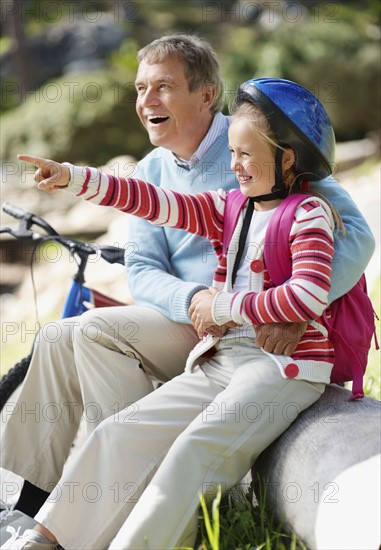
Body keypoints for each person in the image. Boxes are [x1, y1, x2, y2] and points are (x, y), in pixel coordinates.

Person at [5, 77, 375, 549]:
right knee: (121, 432)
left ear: (287, 158)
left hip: (281, 368)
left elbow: (306, 295)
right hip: (221, 359)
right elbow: (156, 202)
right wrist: (74, 178)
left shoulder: (310, 216)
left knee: (191, 454)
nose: (235, 166)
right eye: (233, 154)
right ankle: (47, 537)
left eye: (245, 154)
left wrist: (220, 304)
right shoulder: (230, 207)